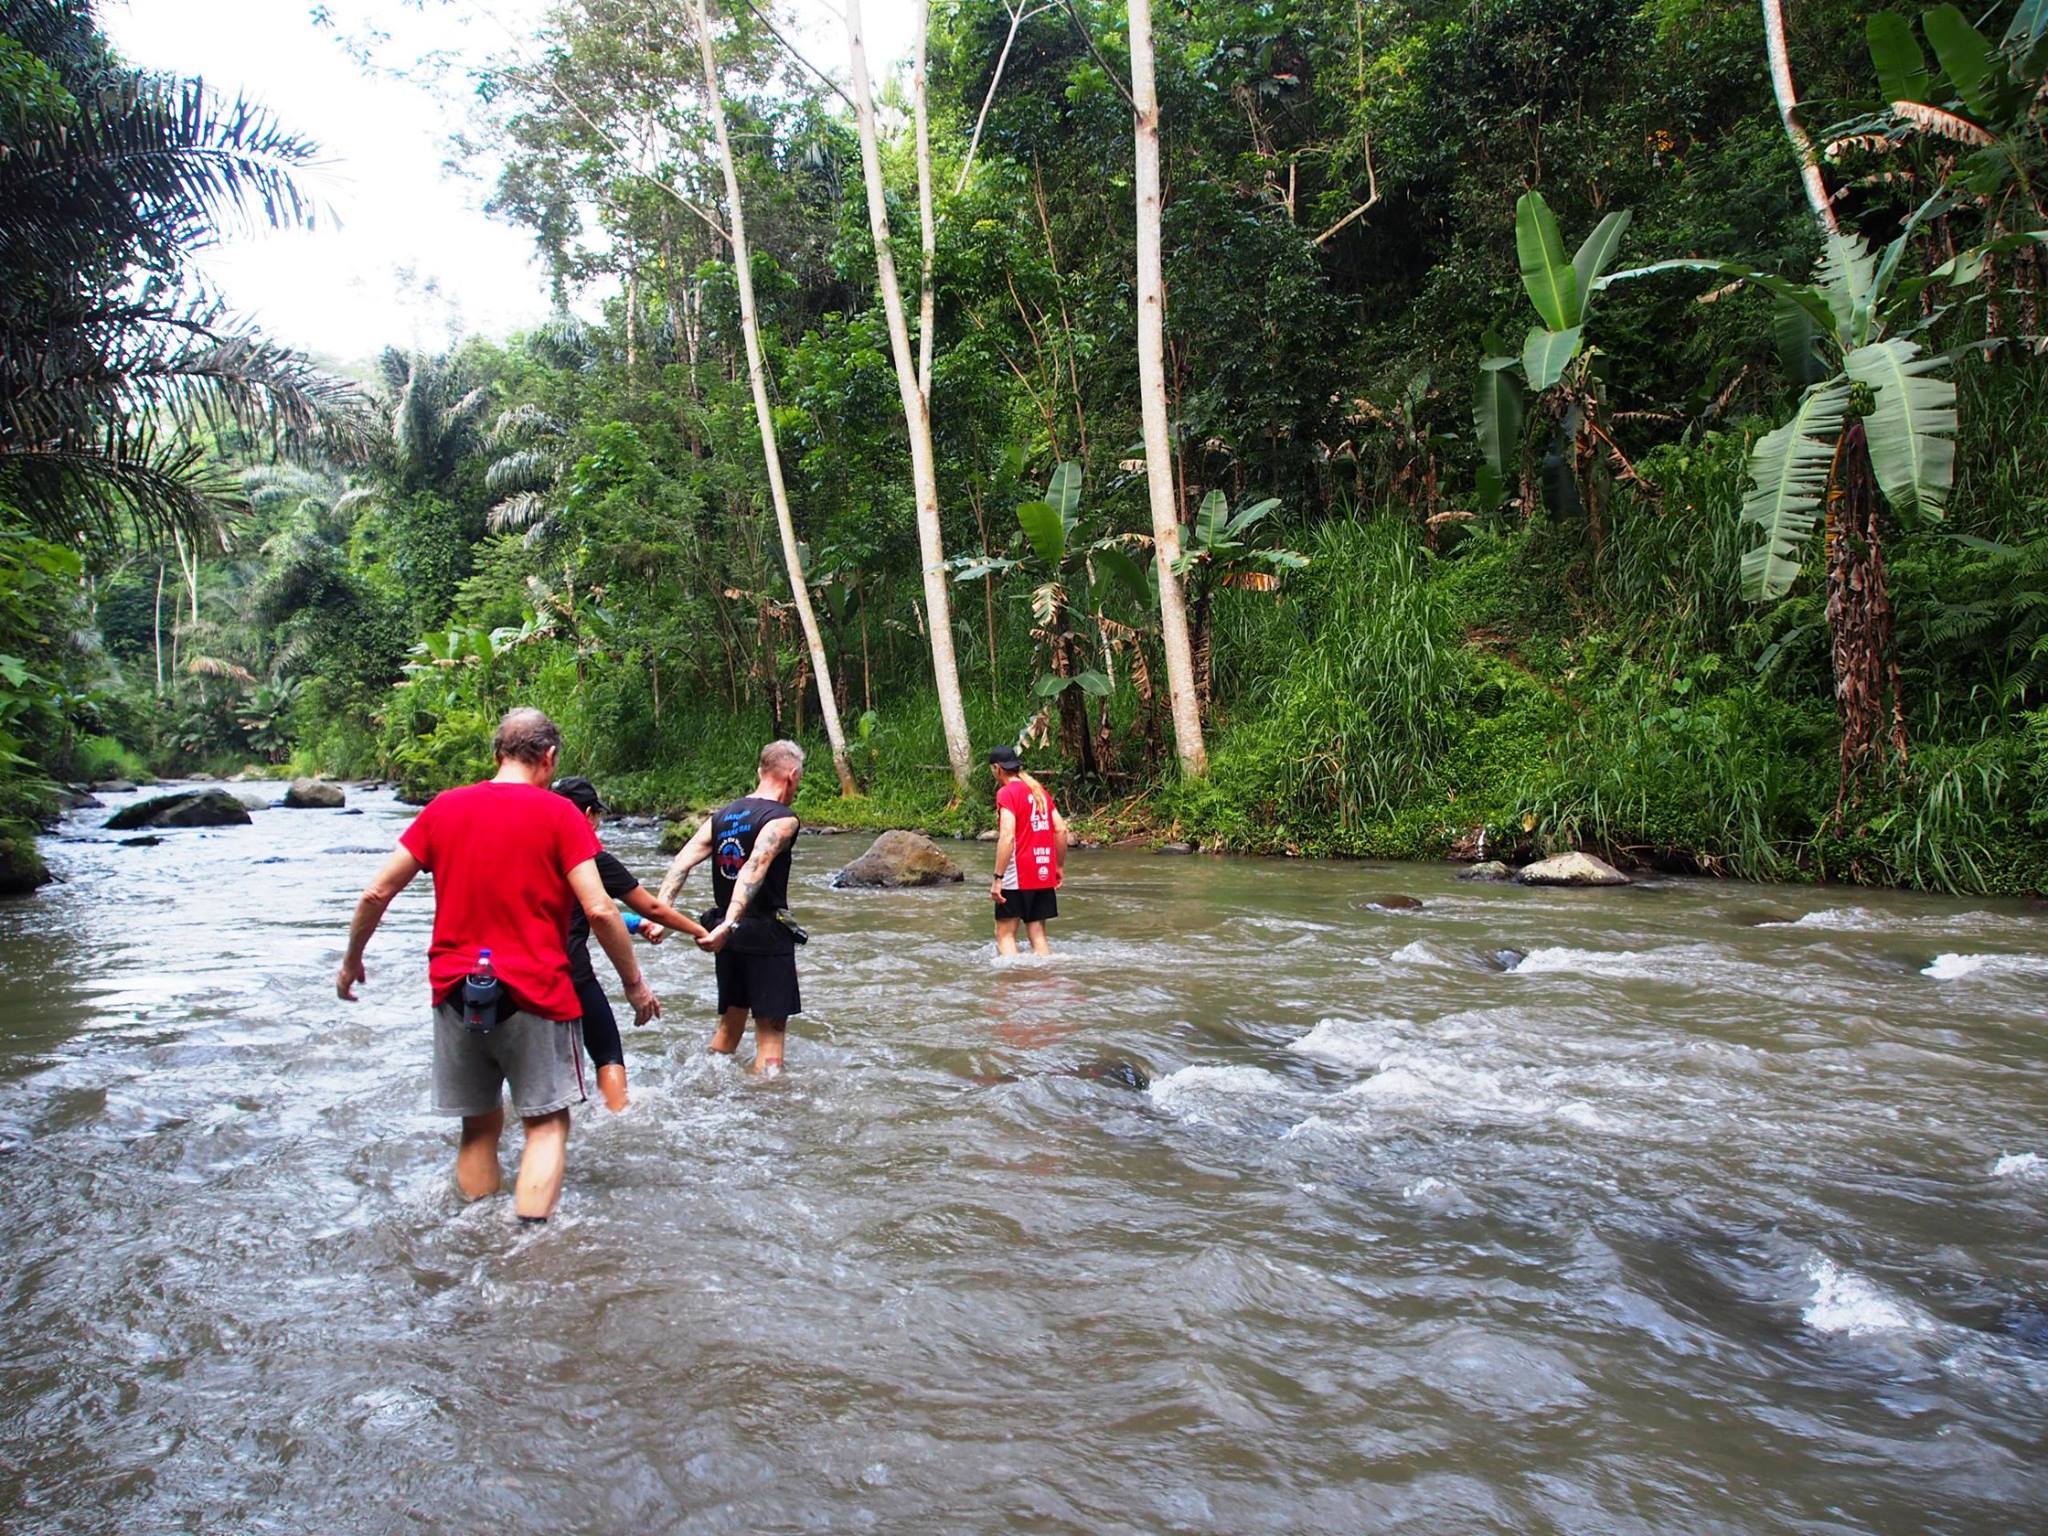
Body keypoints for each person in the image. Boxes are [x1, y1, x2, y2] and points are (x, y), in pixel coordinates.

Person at [336, 708, 659, 1225]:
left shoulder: (443, 808)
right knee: (547, 1127)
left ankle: (474, 1238)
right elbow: (599, 909)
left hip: (456, 991)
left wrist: (352, 962)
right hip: (537, 992)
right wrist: (635, 984)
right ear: (549, 758)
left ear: (496, 753)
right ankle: (527, 1247)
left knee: (478, 1130)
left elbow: (377, 891)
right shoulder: (561, 817)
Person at [551, 775, 712, 1112]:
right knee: (607, 1050)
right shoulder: (591, 859)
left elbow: (584, 911)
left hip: (514, 972)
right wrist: (698, 930)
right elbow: (649, 906)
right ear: (588, 814)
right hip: (568, 973)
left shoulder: (532, 852)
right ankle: (617, 1117)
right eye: (597, 815)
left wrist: (635, 925)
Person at [657, 739, 805, 1075]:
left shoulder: (723, 815)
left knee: (730, 1025)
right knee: (771, 1040)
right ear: (792, 776)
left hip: (726, 934)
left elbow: (682, 861)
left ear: (760, 772)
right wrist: (732, 923)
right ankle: (764, 1112)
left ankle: (705, 1084)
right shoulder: (782, 819)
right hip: (760, 933)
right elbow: (754, 867)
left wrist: (661, 912)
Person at [987, 744, 1068, 956]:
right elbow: (1060, 829)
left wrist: (998, 878)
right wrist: (1057, 866)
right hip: (1042, 871)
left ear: (997, 768)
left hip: (1018, 874)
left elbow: (1007, 837)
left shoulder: (1006, 793)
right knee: (1037, 933)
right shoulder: (1038, 791)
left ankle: (1011, 985)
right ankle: (1043, 983)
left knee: (1005, 934)